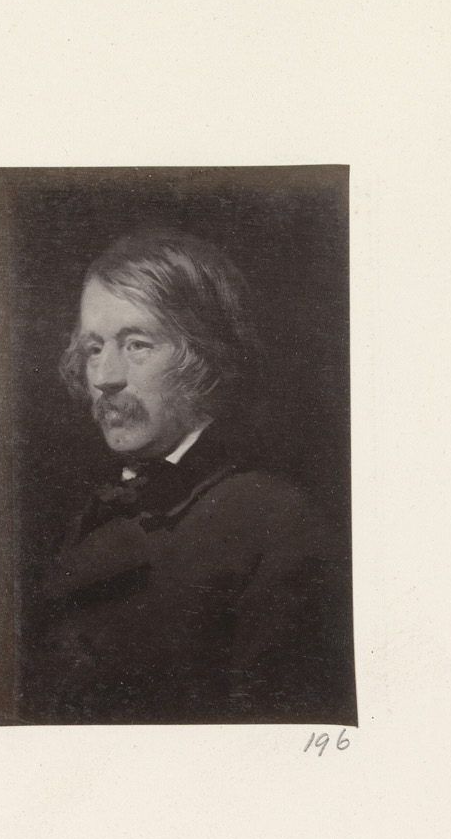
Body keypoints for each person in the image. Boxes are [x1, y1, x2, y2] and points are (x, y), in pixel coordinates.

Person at [23, 225, 356, 725]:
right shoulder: (95, 512)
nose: (105, 377)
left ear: (203, 359)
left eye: (137, 345)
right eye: (93, 349)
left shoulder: (279, 526)